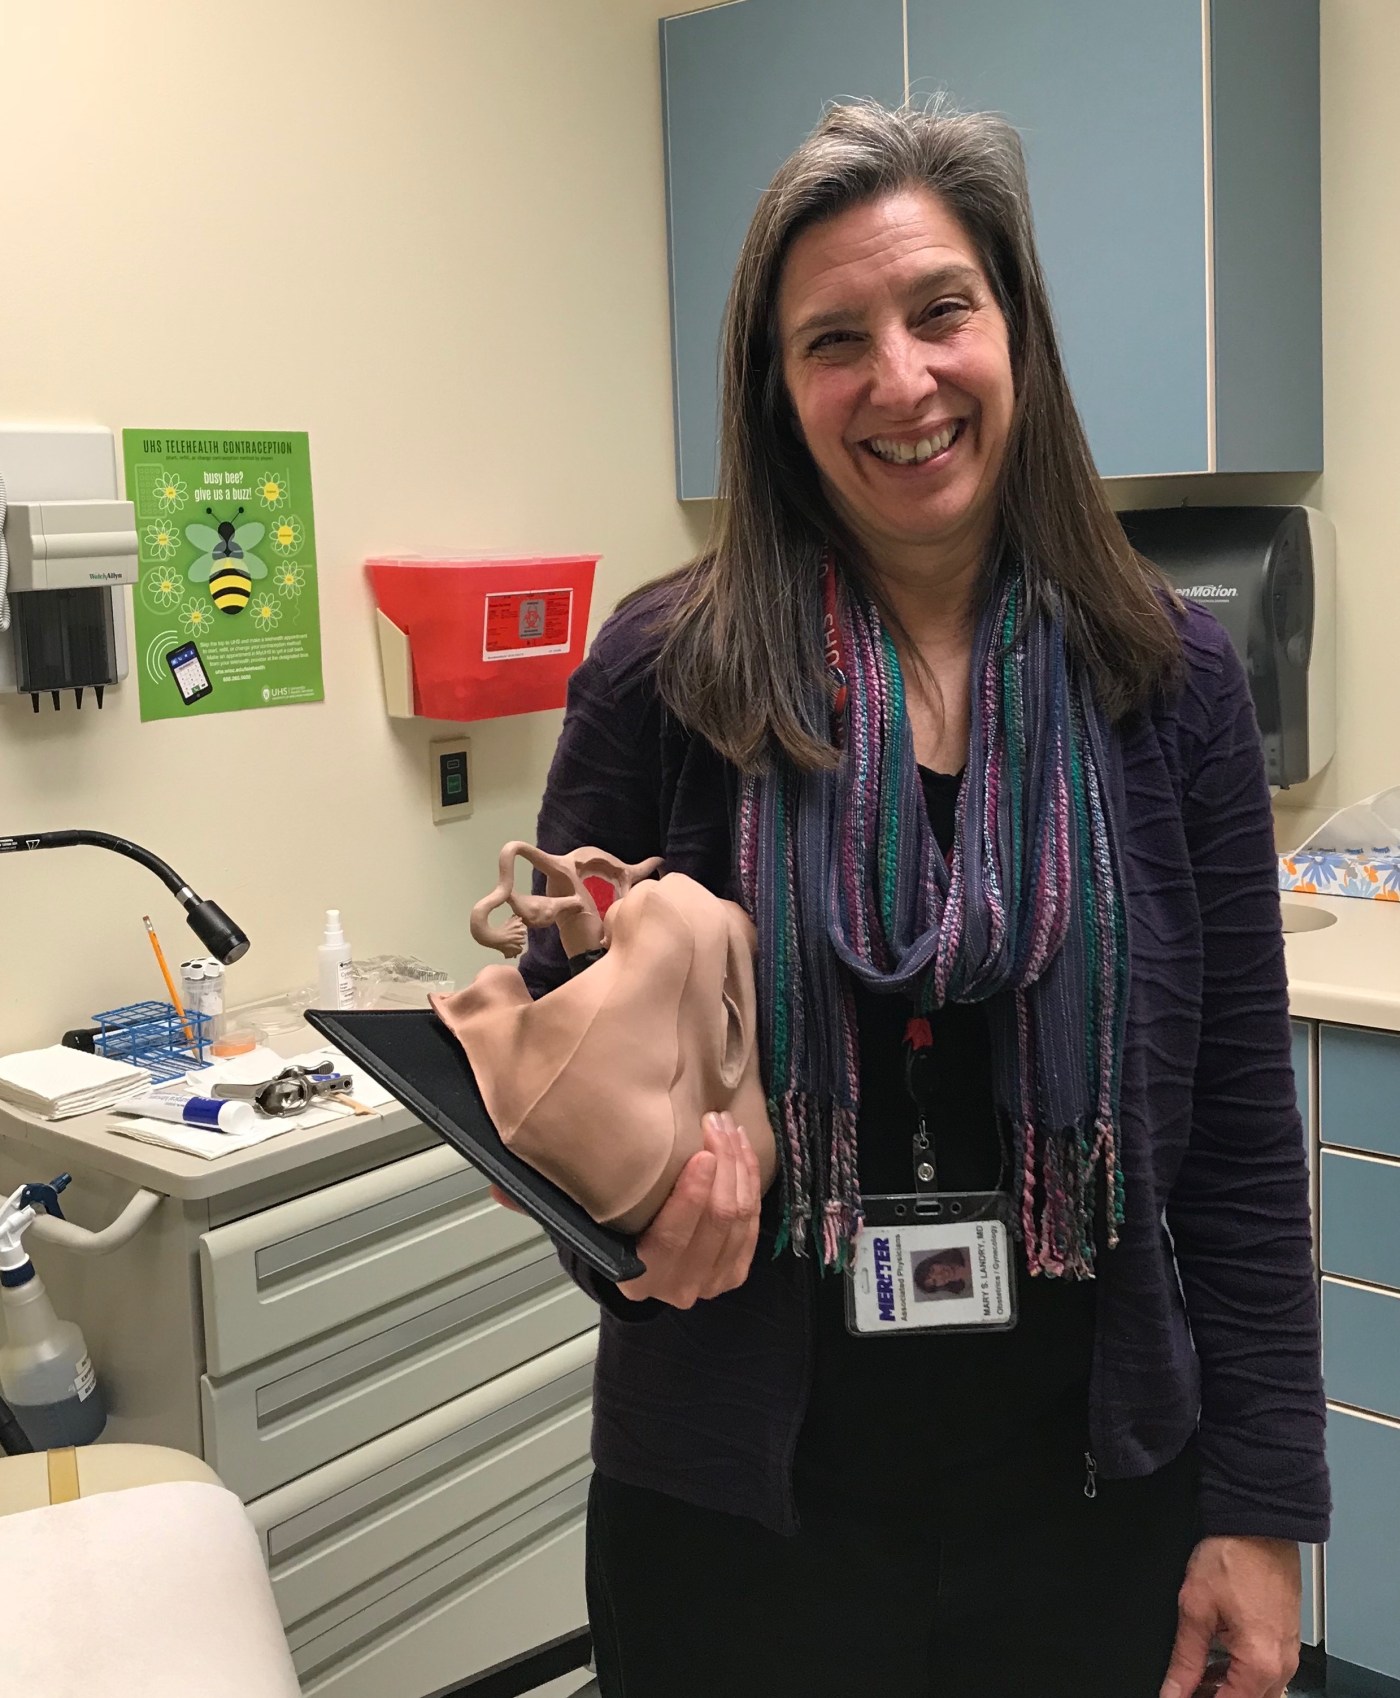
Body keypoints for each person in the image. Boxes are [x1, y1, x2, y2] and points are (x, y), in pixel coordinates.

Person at [518, 99, 1327, 1698]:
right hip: (739, 1513)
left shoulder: (1169, 685)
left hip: (1096, 1500)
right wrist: (625, 1228)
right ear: (778, 390)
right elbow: (558, 1097)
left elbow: (1237, 1132)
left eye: (941, 310)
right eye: (835, 338)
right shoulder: (664, 677)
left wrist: (1262, 1506)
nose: (901, 380)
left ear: (1014, 329)